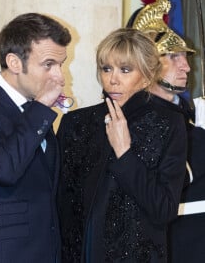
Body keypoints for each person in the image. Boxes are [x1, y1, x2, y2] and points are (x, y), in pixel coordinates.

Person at [57, 27, 187, 262]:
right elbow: (61, 205)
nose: (113, 79)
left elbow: (164, 210)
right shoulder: (75, 123)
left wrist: (125, 153)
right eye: (106, 68)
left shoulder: (168, 123)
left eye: (125, 70)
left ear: (147, 76)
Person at [0, 12, 72, 263]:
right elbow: (3, 169)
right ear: (14, 62)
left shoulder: (34, 110)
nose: (59, 77)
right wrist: (40, 108)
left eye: (60, 65)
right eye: (48, 64)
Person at [129, 0, 205, 262]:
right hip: (168, 243)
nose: (185, 66)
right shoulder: (130, 119)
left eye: (185, 56)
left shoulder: (188, 118)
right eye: (172, 56)